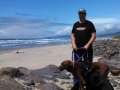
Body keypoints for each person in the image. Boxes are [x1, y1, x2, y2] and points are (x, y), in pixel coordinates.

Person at [71, 8, 96, 89]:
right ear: (78, 14)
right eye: (80, 13)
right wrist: (74, 44)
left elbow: (93, 35)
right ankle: (76, 84)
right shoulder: (75, 24)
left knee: (88, 67)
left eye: (83, 13)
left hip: (87, 50)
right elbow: (72, 35)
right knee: (76, 68)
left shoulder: (90, 24)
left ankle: (88, 84)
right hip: (77, 50)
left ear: (85, 14)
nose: (81, 15)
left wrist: (87, 45)